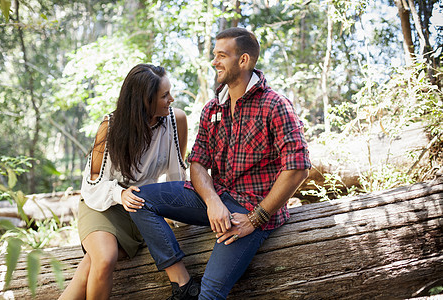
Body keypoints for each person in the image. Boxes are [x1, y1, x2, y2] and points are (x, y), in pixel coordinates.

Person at [129, 27, 311, 300]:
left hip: (251, 209)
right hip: (217, 199)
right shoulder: (213, 108)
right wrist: (213, 201)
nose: (214, 61)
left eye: (222, 55)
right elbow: (198, 163)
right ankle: (182, 284)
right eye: (215, 55)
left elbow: (298, 167)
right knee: (139, 199)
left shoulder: (275, 105)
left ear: (243, 61)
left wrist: (255, 219)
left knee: (211, 293)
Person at [59, 64, 188, 300]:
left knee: (91, 265)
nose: (172, 98)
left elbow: (176, 175)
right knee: (105, 258)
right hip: (103, 205)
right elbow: (92, 185)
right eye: (164, 95)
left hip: (141, 208)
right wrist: (120, 195)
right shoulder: (110, 127)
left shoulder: (176, 120)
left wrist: (179, 215)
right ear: (144, 101)